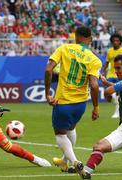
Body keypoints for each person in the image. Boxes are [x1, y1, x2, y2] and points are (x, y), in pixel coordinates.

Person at [44, 26, 102, 175]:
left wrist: (47, 94)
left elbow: (49, 70)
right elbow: (94, 85)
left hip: (63, 101)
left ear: (76, 36)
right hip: (81, 104)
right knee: (71, 129)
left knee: (60, 134)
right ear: (89, 39)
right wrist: (96, 107)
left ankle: (75, 162)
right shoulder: (95, 59)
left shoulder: (64, 49)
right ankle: (65, 161)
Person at [101, 33, 122, 119]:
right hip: (110, 74)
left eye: (117, 40)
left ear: (120, 42)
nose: (115, 42)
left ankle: (117, 112)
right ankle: (118, 108)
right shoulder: (110, 51)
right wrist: (102, 72)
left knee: (117, 93)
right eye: (114, 40)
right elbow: (106, 63)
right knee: (109, 92)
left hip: (120, 75)